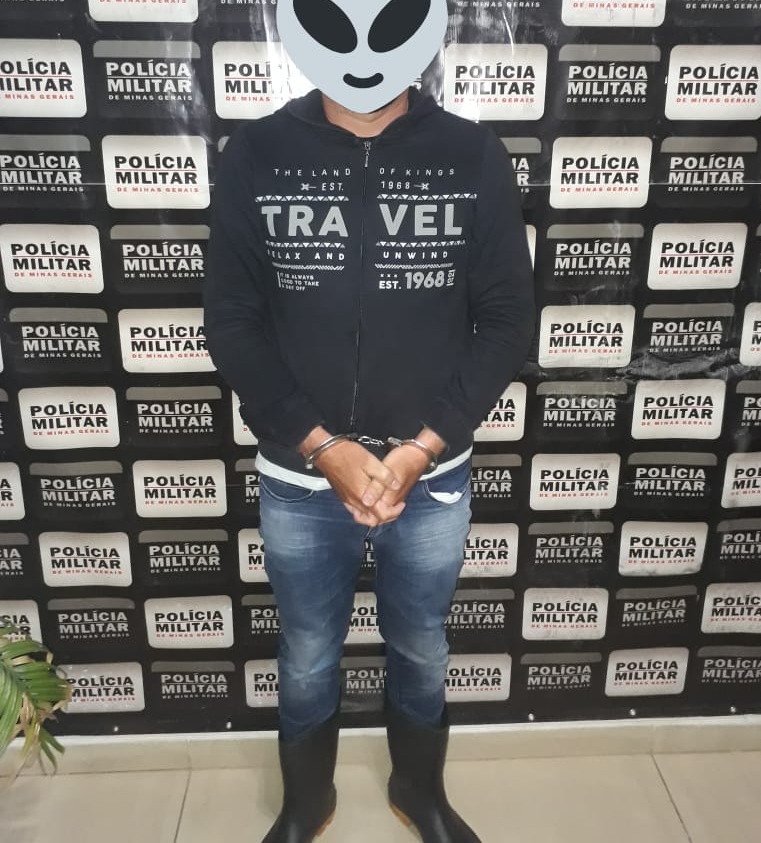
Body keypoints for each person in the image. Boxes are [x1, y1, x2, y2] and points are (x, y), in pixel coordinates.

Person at [203, 79, 535, 842]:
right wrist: (320, 445)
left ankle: (418, 791)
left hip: (431, 478)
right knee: (307, 652)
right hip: (299, 477)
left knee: (421, 644)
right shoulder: (259, 152)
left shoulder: (470, 153)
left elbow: (507, 316)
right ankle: (306, 802)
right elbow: (231, 319)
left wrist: (424, 446)